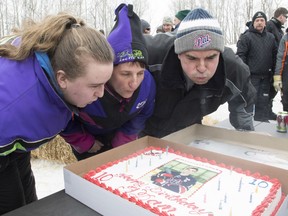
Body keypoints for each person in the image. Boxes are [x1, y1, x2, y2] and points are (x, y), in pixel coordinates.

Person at [0, 13, 114, 214]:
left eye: (105, 83)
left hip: (13, 142)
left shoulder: (59, 65)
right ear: (62, 79)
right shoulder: (14, 106)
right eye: (95, 85)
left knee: (29, 202)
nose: (101, 93)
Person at [141, 8, 256, 138]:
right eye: (191, 58)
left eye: (211, 57)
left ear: (220, 53)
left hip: (190, 131)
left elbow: (243, 104)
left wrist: (248, 137)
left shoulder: (234, 70)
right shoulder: (152, 55)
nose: (202, 68)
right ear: (178, 53)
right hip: (145, 132)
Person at [61, 4, 156, 161]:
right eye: (125, 74)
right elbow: (63, 118)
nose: (134, 83)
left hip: (120, 136)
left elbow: (144, 112)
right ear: (109, 69)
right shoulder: (88, 84)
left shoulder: (147, 83)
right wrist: (84, 142)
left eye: (140, 73)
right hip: (89, 139)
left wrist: (126, 136)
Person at [237, 11, 278, 122]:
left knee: (263, 102)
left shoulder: (271, 37)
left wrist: (275, 74)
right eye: (257, 20)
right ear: (253, 22)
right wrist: (245, 74)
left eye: (262, 20)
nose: (259, 23)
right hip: (251, 77)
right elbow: (241, 56)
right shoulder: (246, 37)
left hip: (266, 77)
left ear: (265, 23)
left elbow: (275, 56)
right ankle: (246, 124)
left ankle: (262, 122)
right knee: (249, 102)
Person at [266, 7, 288, 120]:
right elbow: (266, 45)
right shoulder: (270, 25)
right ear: (281, 16)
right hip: (271, 65)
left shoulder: (279, 29)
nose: (286, 19)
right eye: (286, 17)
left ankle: (268, 111)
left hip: (277, 65)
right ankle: (265, 112)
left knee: (272, 91)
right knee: (269, 91)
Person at [274, 28, 288, 111]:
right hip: (286, 72)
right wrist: (277, 76)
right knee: (286, 99)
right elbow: (280, 58)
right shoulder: (285, 38)